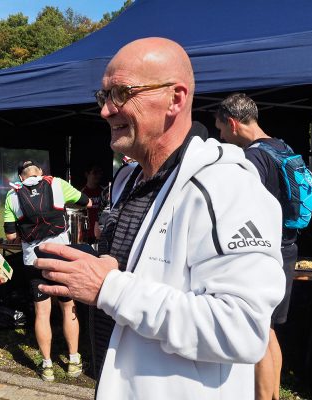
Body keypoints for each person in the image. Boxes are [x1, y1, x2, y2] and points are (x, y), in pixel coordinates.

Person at [34, 37, 286, 399]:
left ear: (176, 98)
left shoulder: (226, 184)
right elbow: (138, 274)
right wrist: (88, 264)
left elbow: (242, 329)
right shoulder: (127, 179)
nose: (106, 110)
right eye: (103, 96)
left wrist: (109, 288)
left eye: (121, 93)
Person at [215, 93, 297, 400]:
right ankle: (273, 395)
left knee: (260, 330)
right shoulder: (280, 146)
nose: (220, 135)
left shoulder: (253, 158)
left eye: (221, 129)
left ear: (233, 124)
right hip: (288, 248)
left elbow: (246, 209)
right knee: (271, 330)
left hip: (266, 253)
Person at [3, 160, 90, 381]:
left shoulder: (12, 196)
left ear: (21, 178)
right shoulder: (58, 184)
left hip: (35, 261)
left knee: (42, 313)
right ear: (40, 173)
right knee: (68, 308)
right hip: (60, 258)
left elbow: (11, 237)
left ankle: (47, 365)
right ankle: (73, 359)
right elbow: (86, 202)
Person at [81, 164, 104, 243]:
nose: (98, 175)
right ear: (87, 174)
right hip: (87, 235)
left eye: (100, 173)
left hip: (101, 235)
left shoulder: (105, 192)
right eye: (95, 172)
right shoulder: (81, 193)